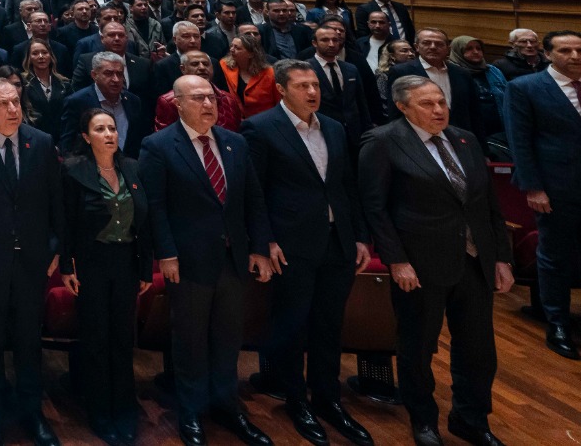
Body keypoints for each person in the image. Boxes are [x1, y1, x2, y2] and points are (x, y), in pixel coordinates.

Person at [358, 76, 513, 446]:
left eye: (441, 101)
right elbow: (375, 209)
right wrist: (396, 260)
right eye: (427, 104)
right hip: (419, 264)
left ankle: (471, 419)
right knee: (418, 347)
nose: (439, 110)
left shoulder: (465, 138)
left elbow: (488, 204)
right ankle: (423, 420)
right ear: (402, 106)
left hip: (474, 261)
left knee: (478, 350)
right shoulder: (382, 141)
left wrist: (501, 258)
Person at [241, 61, 373, 446]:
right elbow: (254, 192)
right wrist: (264, 241)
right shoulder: (260, 128)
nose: (312, 92)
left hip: (337, 241)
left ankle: (328, 399)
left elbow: (347, 186)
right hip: (290, 245)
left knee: (329, 326)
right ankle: (296, 400)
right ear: (281, 89)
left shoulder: (333, 127)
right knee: (293, 325)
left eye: (315, 84)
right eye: (302, 86)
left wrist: (359, 236)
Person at [140, 75, 274, 446]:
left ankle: (227, 407)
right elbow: (155, 207)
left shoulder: (234, 142)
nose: (208, 104)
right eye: (198, 98)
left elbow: (253, 199)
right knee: (191, 342)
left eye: (212, 97)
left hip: (232, 259)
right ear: (178, 103)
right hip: (188, 261)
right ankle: (191, 412)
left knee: (228, 340)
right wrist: (166, 254)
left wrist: (260, 248)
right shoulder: (158, 145)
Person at [0, 77, 63, 446]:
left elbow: (55, 201)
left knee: (29, 338)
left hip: (33, 259)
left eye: (16, 102)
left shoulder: (42, 142)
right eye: (3, 104)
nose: (13, 109)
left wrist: (54, 248)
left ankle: (32, 411)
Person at [61, 106, 148, 446]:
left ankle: (124, 408)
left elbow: (145, 223)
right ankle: (99, 411)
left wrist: (145, 269)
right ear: (86, 137)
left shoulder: (133, 167)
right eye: (100, 129)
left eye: (112, 128)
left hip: (126, 261)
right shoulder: (73, 171)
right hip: (91, 263)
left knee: (123, 339)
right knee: (96, 339)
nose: (109, 134)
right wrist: (67, 266)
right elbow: (65, 223)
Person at [504, 30, 581, 359]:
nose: (575, 56)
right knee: (555, 256)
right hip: (554, 187)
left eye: (579, 50)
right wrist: (533, 187)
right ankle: (557, 323)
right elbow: (519, 141)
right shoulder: (526, 87)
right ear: (548, 54)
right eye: (565, 50)